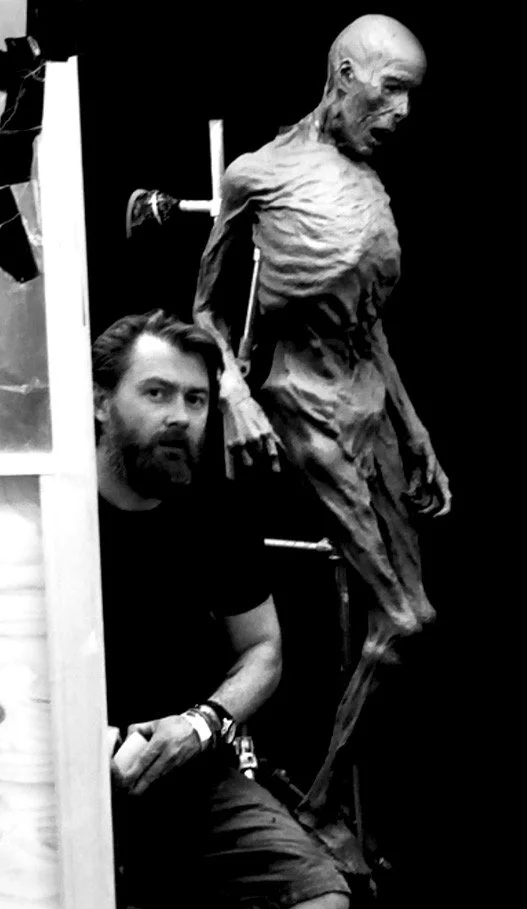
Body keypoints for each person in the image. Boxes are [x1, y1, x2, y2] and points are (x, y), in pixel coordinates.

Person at [94, 307, 405, 909]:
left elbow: (263, 651)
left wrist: (202, 723)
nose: (180, 417)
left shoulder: (213, 508)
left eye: (195, 400)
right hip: (54, 772)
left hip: (185, 765)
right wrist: (88, 740)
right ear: (100, 402)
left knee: (317, 899)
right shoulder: (44, 509)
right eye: (156, 394)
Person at [193, 13, 451, 813]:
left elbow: (369, 325)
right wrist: (234, 392)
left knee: (409, 618)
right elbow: (203, 309)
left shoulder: (366, 180)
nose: (401, 112)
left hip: (369, 401)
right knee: (403, 619)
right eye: (391, 90)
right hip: (304, 405)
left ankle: (334, 814)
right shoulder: (256, 175)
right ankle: (323, 810)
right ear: (344, 74)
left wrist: (416, 433)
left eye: (410, 96)